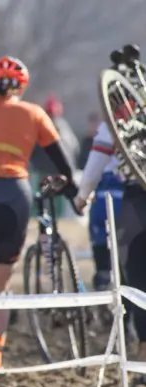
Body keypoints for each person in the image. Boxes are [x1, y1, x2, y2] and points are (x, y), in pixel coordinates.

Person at [0, 56, 80, 370]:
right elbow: (63, 163)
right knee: (1, 285)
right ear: (22, 84)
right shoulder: (35, 113)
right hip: (13, 196)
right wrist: (72, 191)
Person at [74, 44, 146, 369]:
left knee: (139, 280)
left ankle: (144, 352)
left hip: (136, 201)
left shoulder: (114, 124)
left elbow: (93, 167)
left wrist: (81, 197)